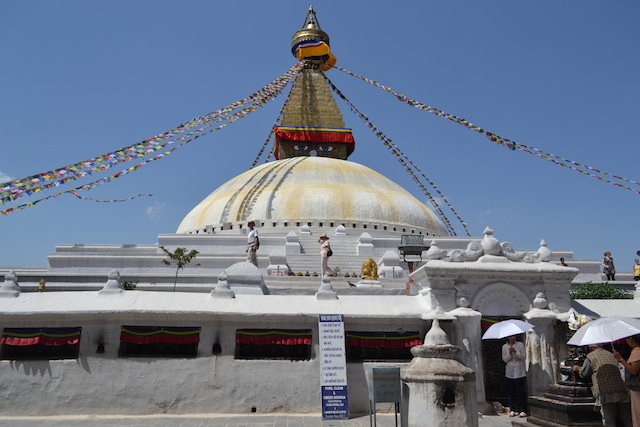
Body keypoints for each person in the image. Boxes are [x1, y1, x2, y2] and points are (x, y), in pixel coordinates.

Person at [573, 343, 632, 427]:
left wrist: (577, 368)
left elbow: (584, 373)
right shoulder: (611, 354)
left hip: (605, 390)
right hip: (621, 388)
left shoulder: (591, 356)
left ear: (591, 347)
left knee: (609, 419)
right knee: (627, 418)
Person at [613, 334, 640, 427]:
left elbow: (634, 370)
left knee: (637, 412)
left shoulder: (637, 351)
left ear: (631, 340)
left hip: (637, 388)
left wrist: (620, 359)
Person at [502, 335, 528, 418]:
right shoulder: (504, 347)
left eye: (513, 336)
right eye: (510, 337)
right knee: (510, 392)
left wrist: (515, 352)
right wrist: (509, 354)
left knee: (520, 391)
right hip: (510, 372)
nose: (512, 338)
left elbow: (523, 357)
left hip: (519, 371)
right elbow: (504, 359)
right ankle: (512, 409)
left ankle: (523, 409)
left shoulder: (520, 345)